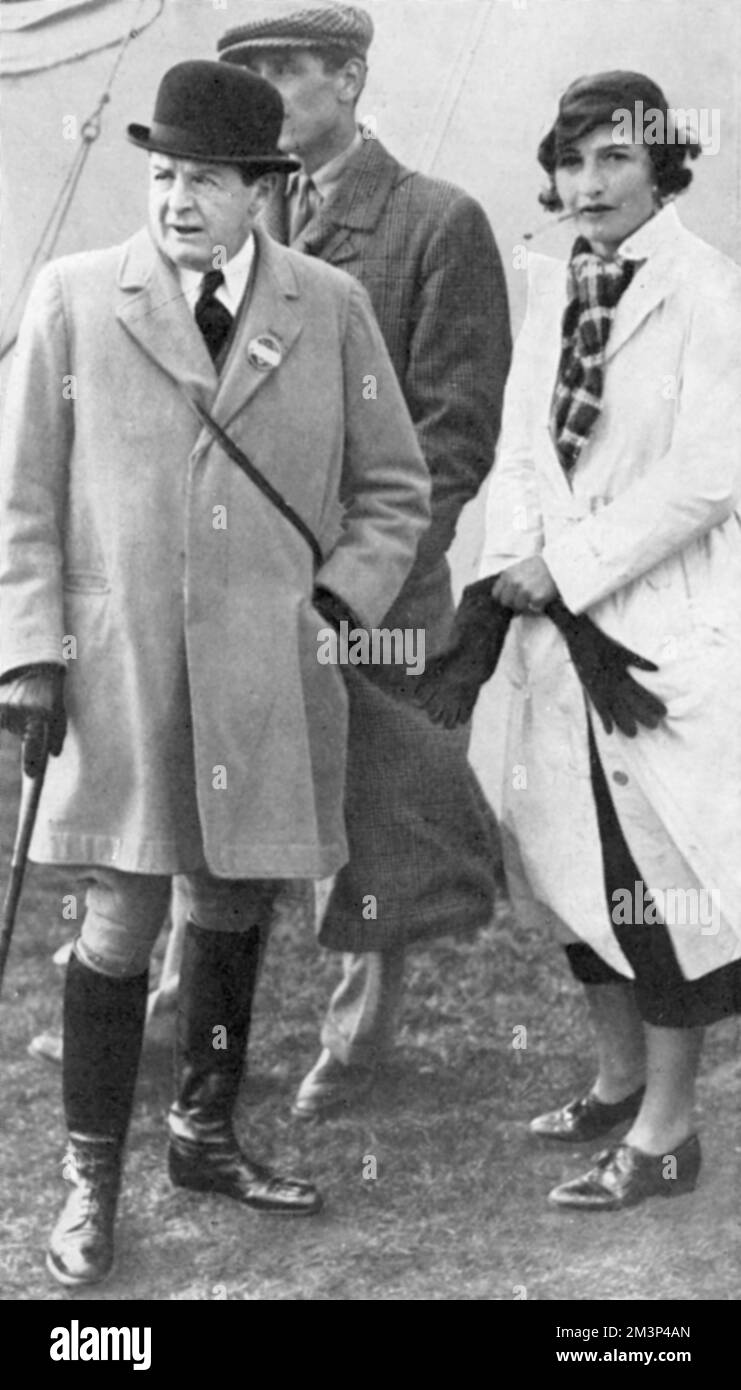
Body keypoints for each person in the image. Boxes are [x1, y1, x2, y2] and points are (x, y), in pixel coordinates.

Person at [0, 58, 430, 1286]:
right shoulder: (78, 298)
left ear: (261, 190)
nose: (177, 199)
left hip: (264, 670)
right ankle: (91, 1176)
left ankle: (204, 1129)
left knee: (234, 901)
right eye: (163, 173)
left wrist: (337, 604)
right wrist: (31, 651)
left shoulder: (328, 306)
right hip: (123, 668)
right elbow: (21, 496)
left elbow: (394, 488)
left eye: (205, 178)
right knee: (123, 913)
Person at [218, 4, 512, 1118]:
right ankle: (173, 1017)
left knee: (371, 819)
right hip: (248, 584)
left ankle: (358, 1042)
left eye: (286, 72)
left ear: (349, 80)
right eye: (249, 74)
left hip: (376, 596)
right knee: (223, 799)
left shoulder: (438, 223)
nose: (267, 92)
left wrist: (357, 573)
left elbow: (455, 432)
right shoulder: (236, 225)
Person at [478, 71, 741, 1209]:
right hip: (555, 635)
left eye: (613, 161)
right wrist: (512, 564)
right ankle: (617, 1076)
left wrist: (574, 568)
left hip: (659, 628)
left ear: (662, 168)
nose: (586, 184)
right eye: (572, 162)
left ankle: (670, 1130)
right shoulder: (560, 286)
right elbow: (520, 450)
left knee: (656, 876)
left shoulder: (709, 288)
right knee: (569, 860)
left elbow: (709, 476)